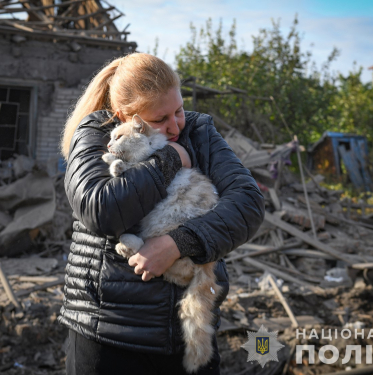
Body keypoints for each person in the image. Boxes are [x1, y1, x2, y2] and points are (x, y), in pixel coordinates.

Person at [58, 53, 265, 375]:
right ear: (125, 116)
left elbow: (248, 202)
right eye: (159, 120)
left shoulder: (199, 132)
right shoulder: (96, 135)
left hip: (186, 328)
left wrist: (179, 242)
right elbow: (99, 210)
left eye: (178, 110)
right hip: (109, 334)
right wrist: (169, 160)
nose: (175, 126)